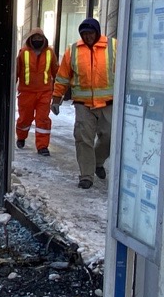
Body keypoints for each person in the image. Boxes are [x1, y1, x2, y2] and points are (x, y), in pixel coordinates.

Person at [51, 18, 117, 190]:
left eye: (91, 33)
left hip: (108, 103)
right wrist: (56, 98)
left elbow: (124, 71)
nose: (88, 36)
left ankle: (98, 161)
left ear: (97, 32)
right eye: (84, 34)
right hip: (83, 104)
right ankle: (86, 176)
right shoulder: (73, 50)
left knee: (109, 137)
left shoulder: (113, 47)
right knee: (83, 139)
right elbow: (62, 77)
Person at [15, 27, 59, 155]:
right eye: (35, 38)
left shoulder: (50, 53)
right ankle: (21, 137)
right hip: (26, 93)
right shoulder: (23, 52)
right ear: (30, 39)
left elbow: (56, 71)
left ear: (44, 39)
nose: (37, 40)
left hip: (44, 92)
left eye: (40, 38)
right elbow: (17, 71)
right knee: (24, 118)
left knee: (43, 119)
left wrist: (61, 88)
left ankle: (42, 146)